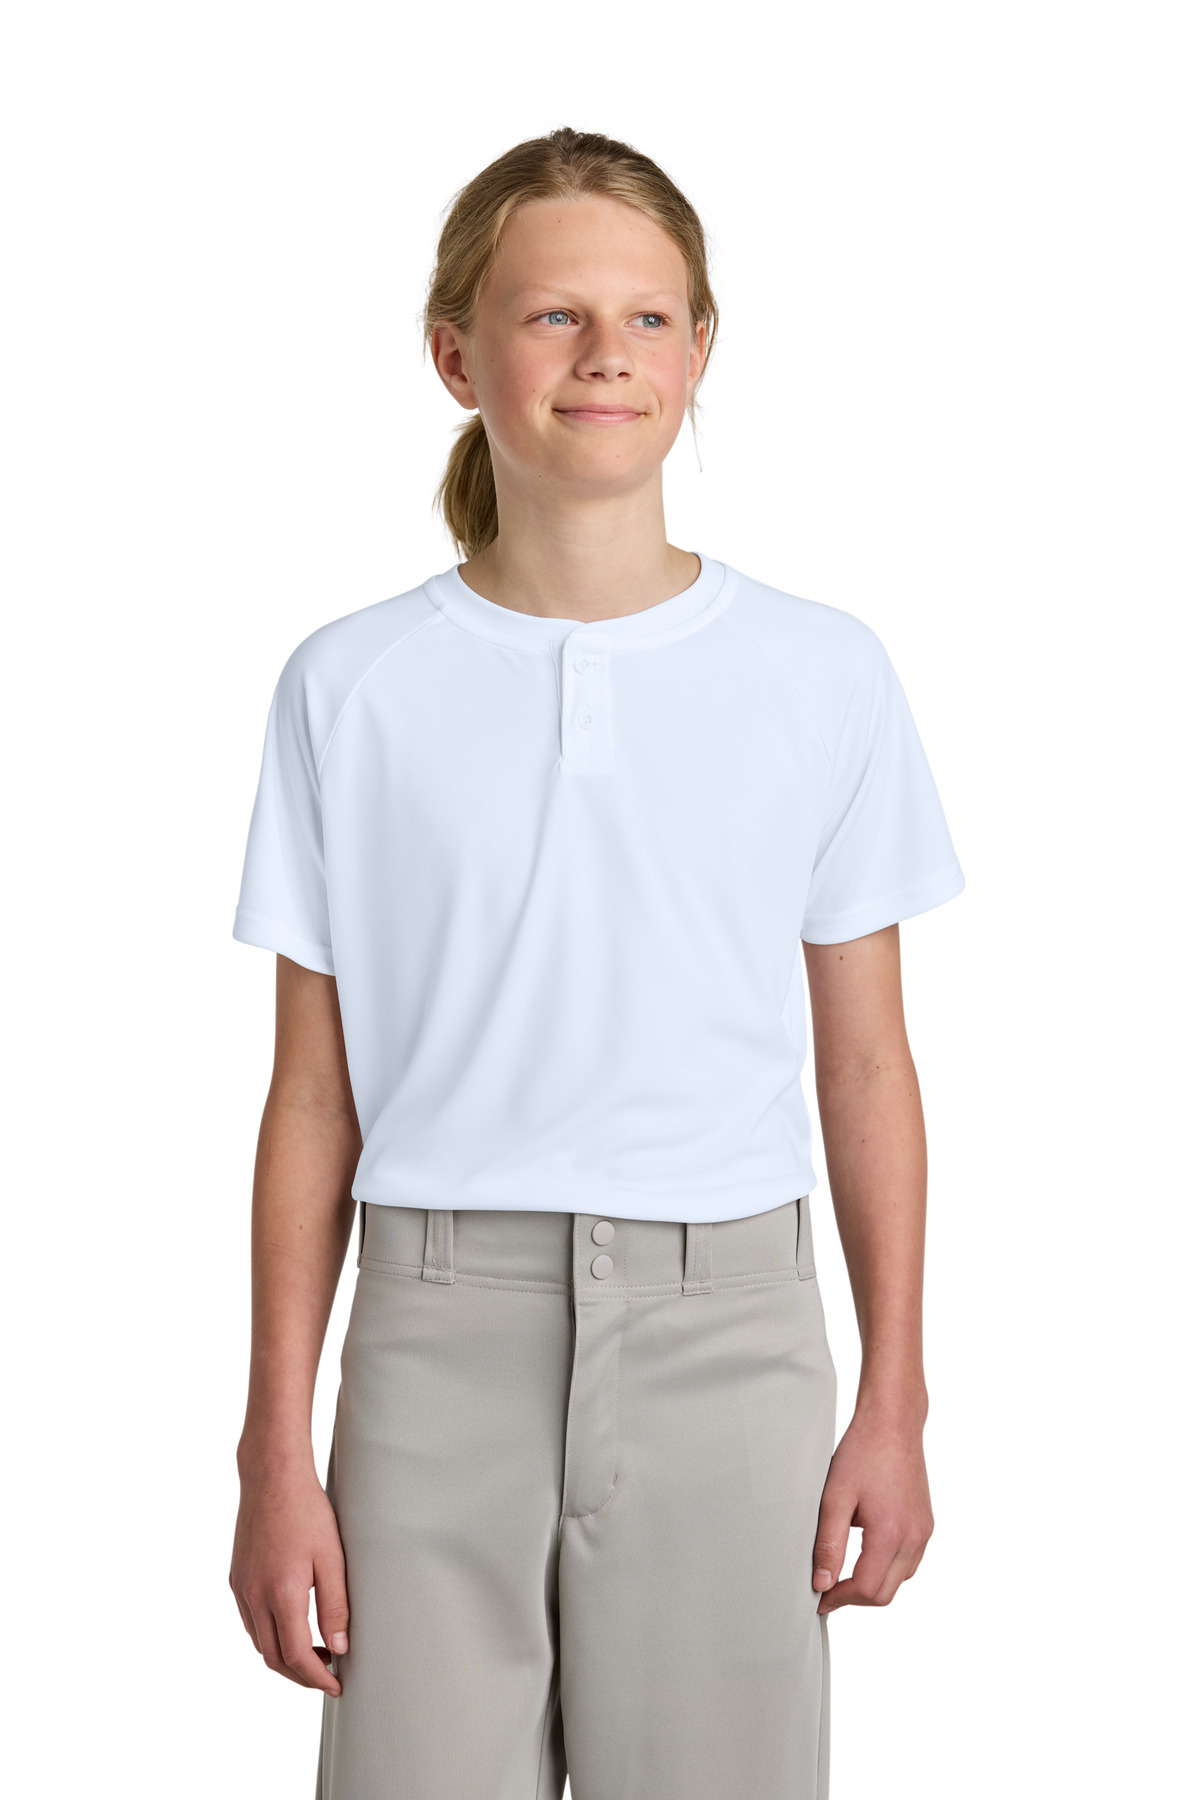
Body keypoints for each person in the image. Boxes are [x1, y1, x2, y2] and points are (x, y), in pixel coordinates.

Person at [228, 125, 965, 1800]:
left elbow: (866, 1061)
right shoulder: (350, 687)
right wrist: (276, 1444)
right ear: (456, 355)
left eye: (647, 317)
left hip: (735, 1339)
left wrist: (897, 1395)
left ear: (699, 351)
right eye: (554, 315)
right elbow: (312, 1094)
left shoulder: (820, 672)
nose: (606, 355)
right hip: (433, 1343)